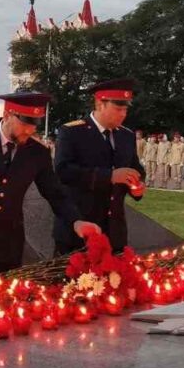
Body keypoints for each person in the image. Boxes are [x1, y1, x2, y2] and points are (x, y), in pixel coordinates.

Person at [0, 91, 98, 277]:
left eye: (34, 126)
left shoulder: (37, 153)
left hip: (7, 242)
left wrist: (75, 220)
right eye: (24, 123)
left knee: (6, 300)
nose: (29, 131)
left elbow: (55, 192)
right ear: (7, 115)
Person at [52, 79, 144, 255]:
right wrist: (108, 176)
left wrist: (138, 186)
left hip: (114, 232)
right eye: (118, 109)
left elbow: (135, 168)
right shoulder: (72, 132)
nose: (123, 114)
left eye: (125, 109)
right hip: (79, 229)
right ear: (100, 104)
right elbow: (63, 171)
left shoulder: (126, 136)